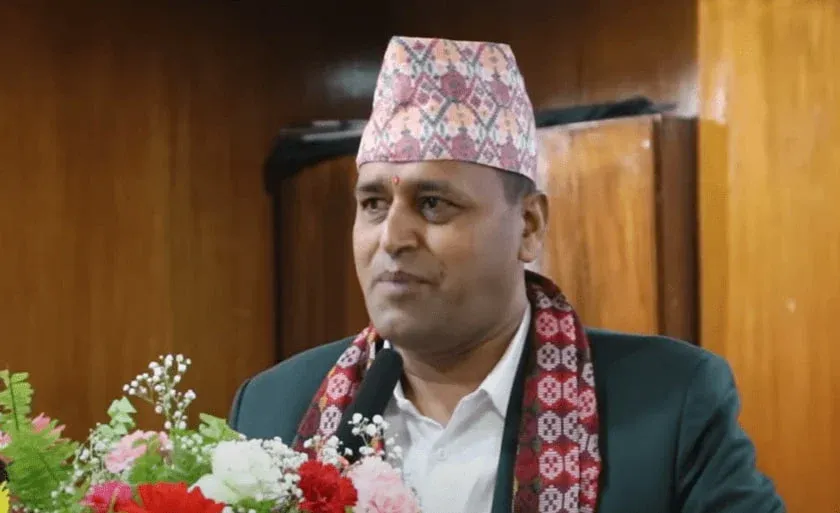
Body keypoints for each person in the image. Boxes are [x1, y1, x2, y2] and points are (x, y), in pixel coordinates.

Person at [228, 36, 785, 513]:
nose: (392, 238)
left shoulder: (670, 404)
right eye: (373, 204)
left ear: (529, 226)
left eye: (433, 204)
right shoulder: (273, 408)